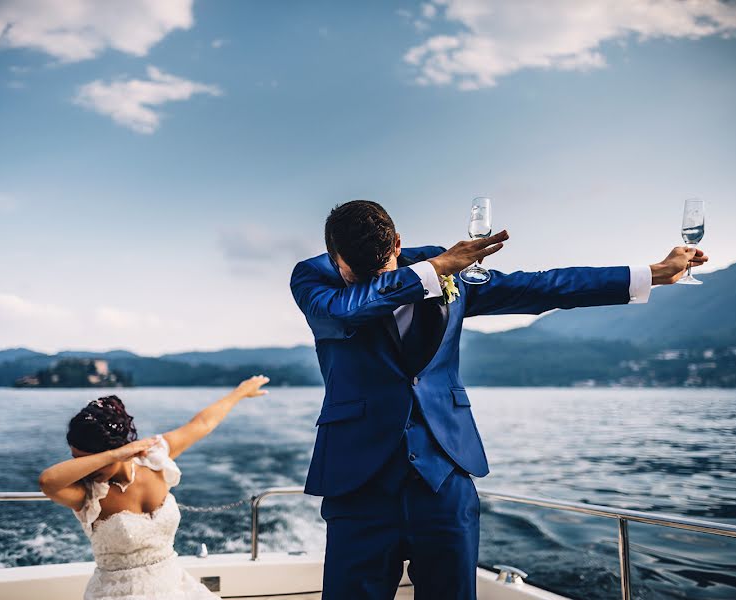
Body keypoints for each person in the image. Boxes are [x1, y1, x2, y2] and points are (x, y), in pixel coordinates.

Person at [289, 200, 708, 600]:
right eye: (353, 275)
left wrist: (650, 273)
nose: (368, 284)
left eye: (378, 271)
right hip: (357, 483)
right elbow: (344, 311)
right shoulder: (313, 279)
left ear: (397, 245)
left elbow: (540, 288)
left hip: (445, 476)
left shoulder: (444, 265)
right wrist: (433, 271)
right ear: (333, 255)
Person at [38, 376, 270, 600]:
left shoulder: (154, 458)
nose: (85, 469)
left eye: (90, 460)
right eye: (78, 461)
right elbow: (47, 482)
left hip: (175, 586)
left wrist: (241, 392)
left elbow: (202, 423)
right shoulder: (87, 493)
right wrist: (113, 455)